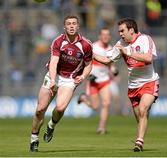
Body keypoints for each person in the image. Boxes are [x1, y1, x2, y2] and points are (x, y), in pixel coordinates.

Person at [94, 18, 159, 151]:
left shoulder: (145, 39)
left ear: (131, 30)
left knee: (143, 110)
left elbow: (148, 58)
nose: (121, 34)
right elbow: (107, 59)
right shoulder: (120, 43)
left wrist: (128, 52)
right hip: (133, 86)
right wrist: (91, 54)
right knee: (140, 117)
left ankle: (139, 142)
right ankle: (141, 135)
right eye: (119, 31)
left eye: (122, 31)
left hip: (149, 82)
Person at [30, 15, 93, 152]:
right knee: (40, 109)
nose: (71, 26)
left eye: (74, 23)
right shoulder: (58, 41)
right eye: (69, 24)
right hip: (54, 76)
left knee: (60, 108)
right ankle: (34, 138)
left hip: (70, 79)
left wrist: (83, 76)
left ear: (78, 26)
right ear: (64, 27)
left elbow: (89, 65)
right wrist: (53, 80)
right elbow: (54, 62)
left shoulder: (86, 45)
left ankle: (51, 125)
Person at [78, 27, 118, 134]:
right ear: (99, 36)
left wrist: (113, 70)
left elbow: (111, 64)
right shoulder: (93, 47)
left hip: (104, 80)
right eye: (103, 34)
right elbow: (85, 62)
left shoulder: (111, 49)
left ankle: (101, 127)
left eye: (107, 34)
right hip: (93, 80)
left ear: (109, 36)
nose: (105, 36)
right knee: (95, 106)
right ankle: (83, 98)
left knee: (106, 103)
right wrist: (88, 74)